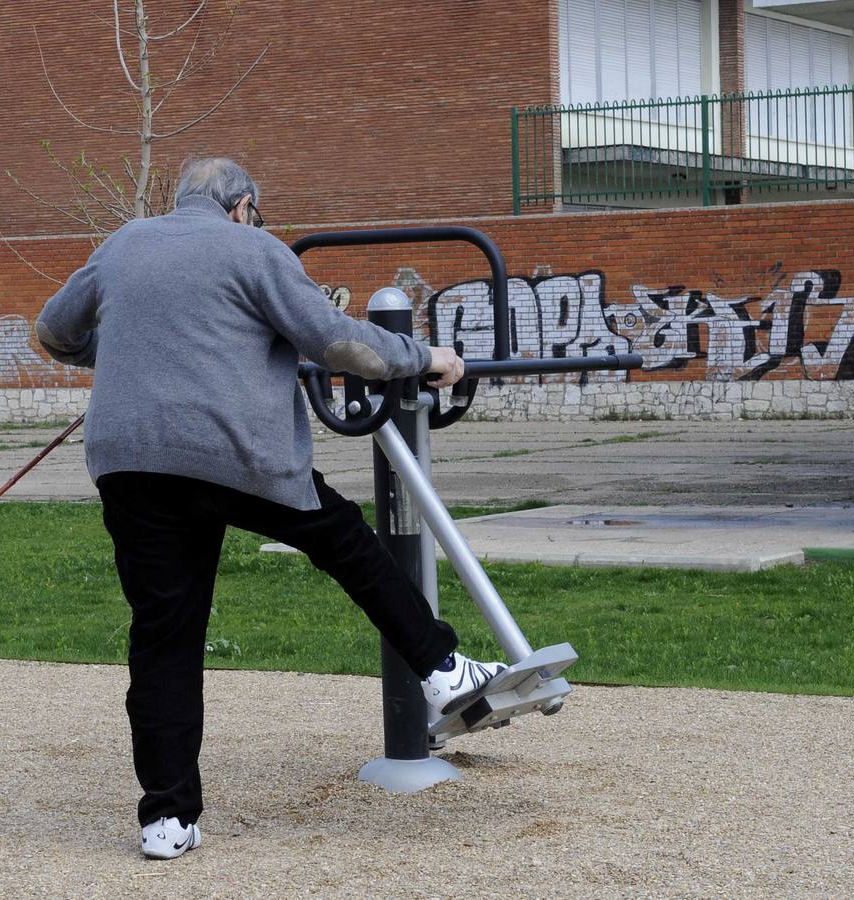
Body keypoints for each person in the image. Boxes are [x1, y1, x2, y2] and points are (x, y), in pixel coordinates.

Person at [36, 157, 505, 860]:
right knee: (345, 540)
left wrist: (133, 348)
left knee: (163, 634)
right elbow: (338, 342)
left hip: (129, 463)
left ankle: (166, 820)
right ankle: (443, 671)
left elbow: (53, 332)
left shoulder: (125, 242)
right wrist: (423, 356)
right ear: (242, 206)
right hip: (230, 454)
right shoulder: (253, 248)